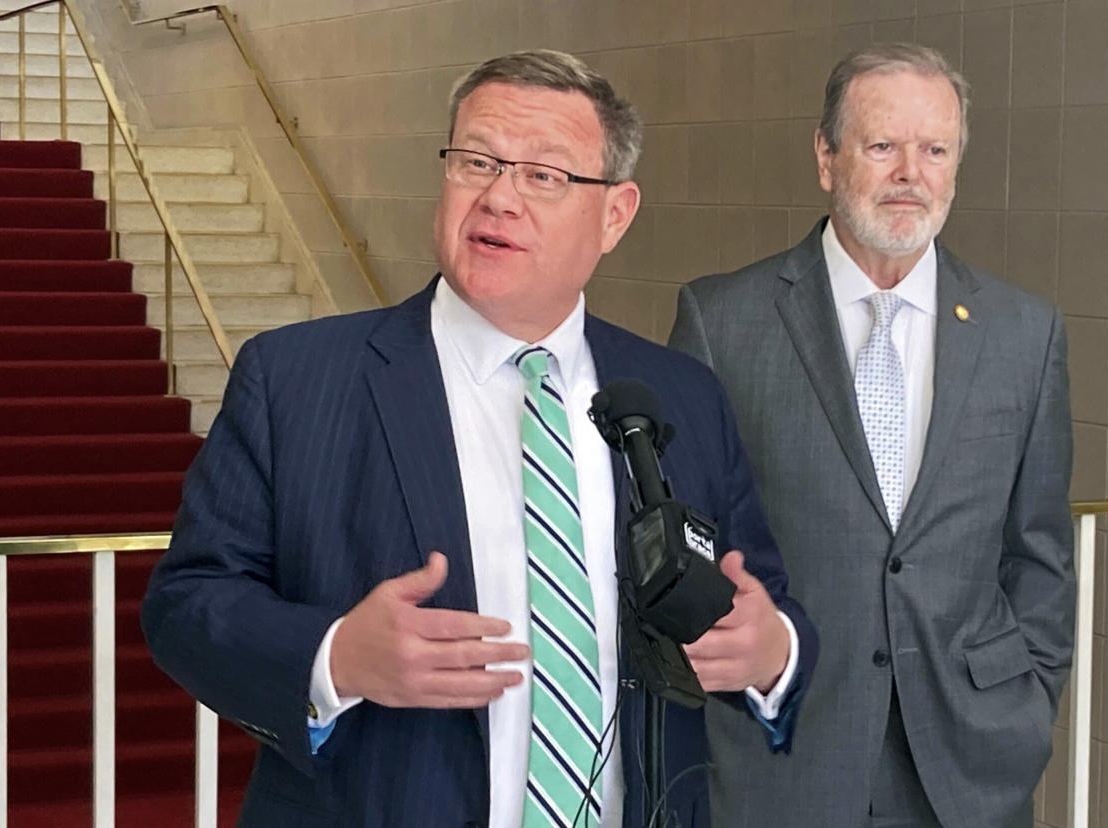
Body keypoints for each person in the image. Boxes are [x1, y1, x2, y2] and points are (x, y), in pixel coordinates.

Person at [143, 50, 816, 828]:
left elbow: (766, 607)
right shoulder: (295, 380)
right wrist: (335, 656)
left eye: (544, 175)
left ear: (615, 214)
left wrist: (771, 654)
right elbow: (188, 605)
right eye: (477, 162)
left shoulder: (680, 395)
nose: (500, 198)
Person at [669, 42, 1074, 828]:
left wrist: (1026, 706)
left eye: (935, 150)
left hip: (967, 771)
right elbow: (686, 551)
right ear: (826, 157)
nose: (910, 174)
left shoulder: (1026, 333)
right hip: (784, 760)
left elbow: (1040, 555)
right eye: (882, 146)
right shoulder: (723, 321)